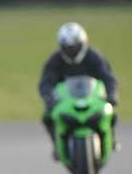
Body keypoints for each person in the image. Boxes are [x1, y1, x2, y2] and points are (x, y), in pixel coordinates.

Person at [38, 22, 119, 158]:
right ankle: (57, 145)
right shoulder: (55, 60)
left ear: (82, 43)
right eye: (68, 48)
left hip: (92, 99)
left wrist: (112, 95)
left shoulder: (94, 57)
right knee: (47, 117)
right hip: (66, 102)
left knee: (110, 113)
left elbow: (108, 78)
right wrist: (49, 99)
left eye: (74, 47)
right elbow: (46, 82)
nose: (72, 51)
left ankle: (112, 139)